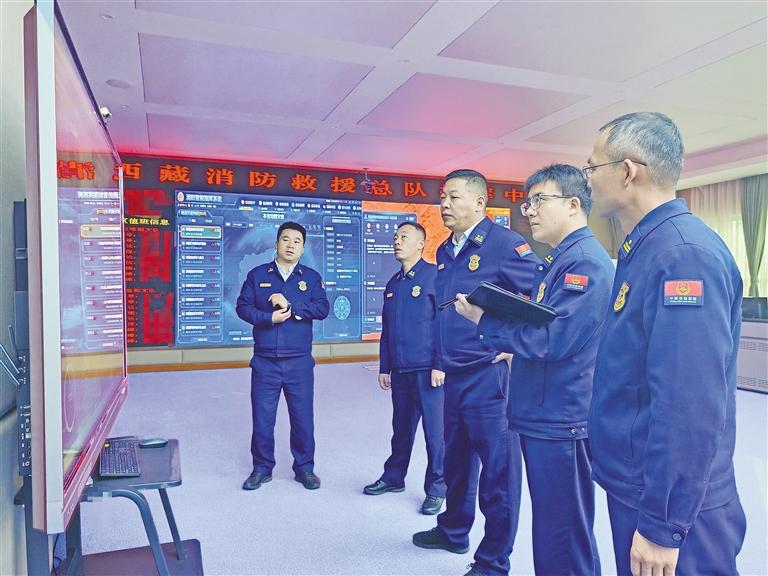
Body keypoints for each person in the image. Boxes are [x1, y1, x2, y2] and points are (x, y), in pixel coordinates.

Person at [586, 112, 746, 576]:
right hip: (640, 482)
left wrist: (663, 523)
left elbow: (688, 402)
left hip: (673, 502)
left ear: (627, 171)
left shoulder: (683, 256)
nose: (587, 179)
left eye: (592, 167)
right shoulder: (648, 247)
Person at [454, 164, 612, 575]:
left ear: (573, 204)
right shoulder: (561, 260)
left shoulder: (585, 264)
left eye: (540, 200)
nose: (530, 211)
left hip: (561, 415)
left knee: (564, 535)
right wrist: (515, 346)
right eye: (528, 203)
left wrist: (485, 322)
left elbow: (552, 340)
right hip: (546, 410)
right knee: (554, 530)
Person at [412, 169, 540, 576]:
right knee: (456, 462)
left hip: (489, 377)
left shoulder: (504, 244)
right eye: (442, 197)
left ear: (480, 202)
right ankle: (453, 530)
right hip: (454, 374)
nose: (444, 204)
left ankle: (493, 562)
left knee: (499, 474)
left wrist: (515, 344)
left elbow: (542, 292)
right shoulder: (446, 250)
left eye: (453, 197)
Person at [236, 221, 330, 491]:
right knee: (262, 419)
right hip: (265, 363)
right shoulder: (257, 275)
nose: (291, 245)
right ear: (276, 243)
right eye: (286, 239)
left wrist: (292, 306)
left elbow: (322, 308)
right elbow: (243, 307)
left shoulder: (310, 278)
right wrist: (268, 318)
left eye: (297, 241)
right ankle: (261, 468)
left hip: (299, 363)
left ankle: (305, 469)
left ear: (303, 247)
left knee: (303, 419)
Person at [364, 221, 446, 515]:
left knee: (435, 435)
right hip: (400, 371)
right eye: (396, 237)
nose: (397, 241)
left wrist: (440, 364)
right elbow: (387, 330)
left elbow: (443, 324)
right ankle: (394, 477)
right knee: (400, 429)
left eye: (404, 237)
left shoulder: (434, 276)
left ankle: (437, 488)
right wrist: (384, 367)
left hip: (428, 372)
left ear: (421, 244)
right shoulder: (393, 284)